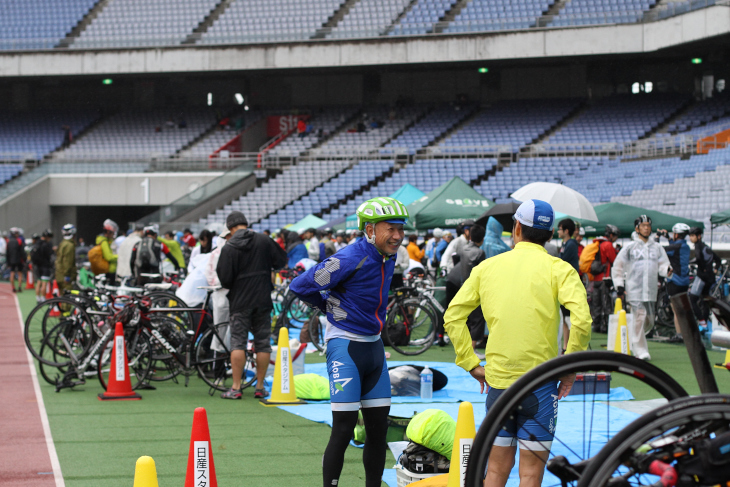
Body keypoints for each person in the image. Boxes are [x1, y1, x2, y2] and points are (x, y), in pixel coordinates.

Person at [443, 200, 591, 487]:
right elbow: (582, 321)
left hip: (499, 384)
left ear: (517, 228)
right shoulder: (559, 268)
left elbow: (453, 317)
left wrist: (469, 362)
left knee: (496, 472)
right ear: (549, 235)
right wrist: (569, 366)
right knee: (531, 475)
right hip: (541, 381)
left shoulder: (488, 267)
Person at [289, 196, 408, 487]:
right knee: (343, 430)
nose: (397, 235)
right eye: (390, 228)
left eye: (401, 229)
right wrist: (327, 306)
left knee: (378, 431)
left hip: (375, 347)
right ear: (369, 229)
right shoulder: (349, 257)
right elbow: (300, 285)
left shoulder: (387, 256)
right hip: (345, 347)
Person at [216, 211, 287, 399]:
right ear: (245, 224)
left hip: (240, 301)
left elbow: (224, 279)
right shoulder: (264, 240)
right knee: (262, 343)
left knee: (238, 342)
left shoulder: (229, 247)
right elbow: (281, 260)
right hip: (263, 298)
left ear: (230, 228)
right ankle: (260, 386)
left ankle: (236, 387)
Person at [612, 215, 670, 360]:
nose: (646, 228)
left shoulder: (656, 248)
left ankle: (634, 338)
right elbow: (618, 267)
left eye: (648, 226)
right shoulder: (629, 248)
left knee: (649, 321)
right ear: (637, 228)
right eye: (643, 226)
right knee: (640, 318)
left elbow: (663, 263)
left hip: (650, 290)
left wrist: (667, 270)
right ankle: (640, 351)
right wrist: (619, 284)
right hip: (635, 289)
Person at [446, 223, 487, 356]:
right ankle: (472, 349)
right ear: (482, 238)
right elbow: (482, 271)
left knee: (464, 317)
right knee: (478, 318)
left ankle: (464, 347)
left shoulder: (463, 249)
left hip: (462, 286)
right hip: (475, 288)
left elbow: (455, 260)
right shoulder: (480, 252)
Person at [659, 223, 691, 343]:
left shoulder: (675, 247)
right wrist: (667, 237)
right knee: (683, 309)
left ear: (677, 234)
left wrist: (657, 238)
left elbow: (660, 251)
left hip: (675, 281)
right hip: (685, 282)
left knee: (676, 310)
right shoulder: (684, 246)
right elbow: (674, 246)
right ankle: (685, 333)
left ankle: (679, 335)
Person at [586, 225, 620, 333]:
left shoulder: (597, 243)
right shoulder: (607, 245)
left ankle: (596, 325)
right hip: (605, 278)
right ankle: (605, 327)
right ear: (611, 235)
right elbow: (614, 260)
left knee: (596, 304)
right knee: (606, 303)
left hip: (595, 278)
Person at [688, 226, 720, 329]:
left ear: (699, 236)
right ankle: (704, 324)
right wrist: (714, 270)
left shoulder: (698, 246)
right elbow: (718, 259)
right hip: (711, 279)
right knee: (704, 300)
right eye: (690, 236)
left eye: (693, 236)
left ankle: (701, 322)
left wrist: (702, 268)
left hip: (702, 277)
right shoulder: (706, 247)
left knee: (692, 299)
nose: (691, 238)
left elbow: (698, 258)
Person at [558, 219, 579, 349]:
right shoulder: (565, 244)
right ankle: (566, 346)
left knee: (569, 318)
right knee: (565, 319)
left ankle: (571, 347)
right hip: (564, 285)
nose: (558, 231)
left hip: (570, 286)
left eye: (560, 229)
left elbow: (563, 263)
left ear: (566, 231)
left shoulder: (571, 244)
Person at [55, 224, 77, 295]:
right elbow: (67, 261)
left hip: (59, 274)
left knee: (63, 297)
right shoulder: (70, 245)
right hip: (65, 275)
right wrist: (67, 275)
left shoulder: (62, 243)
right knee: (67, 299)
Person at [96, 219, 119, 284]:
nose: (113, 235)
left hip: (109, 270)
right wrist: (120, 256)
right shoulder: (104, 242)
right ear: (108, 232)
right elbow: (109, 257)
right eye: (113, 233)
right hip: (109, 271)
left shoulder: (107, 241)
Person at [35, 230, 54, 302]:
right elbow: (48, 255)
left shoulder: (37, 243)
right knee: (44, 283)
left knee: (38, 282)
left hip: (38, 266)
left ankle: (37, 298)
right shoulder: (46, 245)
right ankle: (43, 298)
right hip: (45, 266)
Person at [7, 228, 25, 292]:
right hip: (19, 260)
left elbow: (7, 253)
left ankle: (13, 287)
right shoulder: (19, 241)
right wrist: (24, 260)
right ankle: (19, 287)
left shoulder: (9, 242)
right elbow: (22, 251)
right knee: (20, 273)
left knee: (12, 273)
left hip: (12, 260)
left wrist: (8, 262)